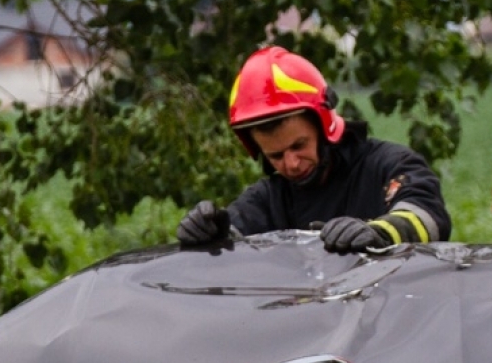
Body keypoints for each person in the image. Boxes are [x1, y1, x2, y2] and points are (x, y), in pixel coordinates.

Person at [176, 46, 450, 252]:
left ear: (324, 126)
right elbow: (233, 238)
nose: (291, 164)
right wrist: (209, 234)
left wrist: (381, 233)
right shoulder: (268, 198)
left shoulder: (390, 165)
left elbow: (429, 217)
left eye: (299, 145)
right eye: (276, 155)